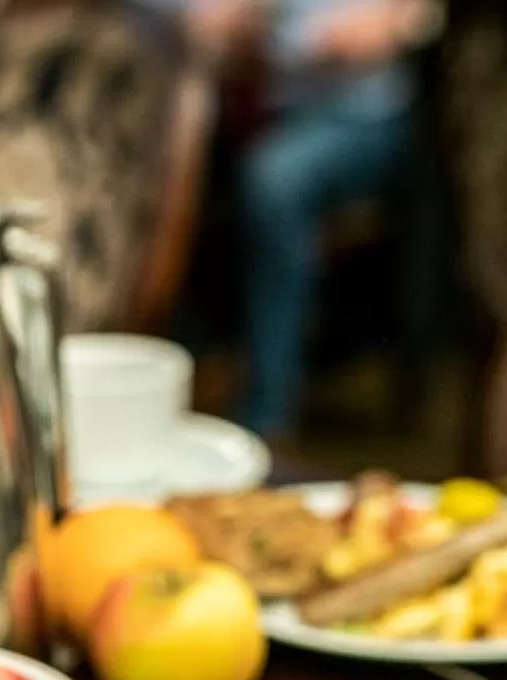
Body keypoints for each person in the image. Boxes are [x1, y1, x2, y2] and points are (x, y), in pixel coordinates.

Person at [182, 0, 436, 441]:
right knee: (194, 169)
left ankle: (267, 414)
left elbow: (417, 17)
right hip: (271, 109)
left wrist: (392, 24)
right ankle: (192, 384)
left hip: (367, 117)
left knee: (274, 179)